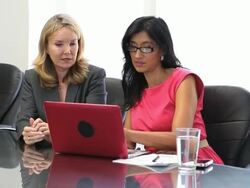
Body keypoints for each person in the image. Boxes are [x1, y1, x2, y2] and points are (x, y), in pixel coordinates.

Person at [121, 16, 223, 164]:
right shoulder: (136, 86)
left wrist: (126, 134)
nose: (137, 55)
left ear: (162, 49)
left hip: (193, 162)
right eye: (133, 47)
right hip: (155, 165)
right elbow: (128, 143)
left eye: (146, 48)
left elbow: (179, 139)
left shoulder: (184, 80)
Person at [16, 14, 107, 145]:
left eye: (72, 44)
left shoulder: (94, 76)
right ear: (46, 47)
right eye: (59, 44)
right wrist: (28, 132)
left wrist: (56, 132)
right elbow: (23, 119)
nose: (68, 51)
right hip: (42, 156)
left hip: (81, 155)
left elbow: (93, 126)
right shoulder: (32, 77)